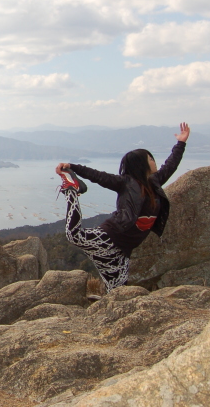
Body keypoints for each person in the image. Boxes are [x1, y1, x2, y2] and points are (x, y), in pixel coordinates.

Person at [54, 122, 190, 293]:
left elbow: (171, 165)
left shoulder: (155, 182)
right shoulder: (125, 183)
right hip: (109, 238)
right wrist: (72, 167)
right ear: (141, 164)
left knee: (117, 293)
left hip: (122, 252)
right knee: (74, 235)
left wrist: (181, 143)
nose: (154, 162)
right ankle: (71, 189)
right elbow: (98, 176)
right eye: (150, 159)